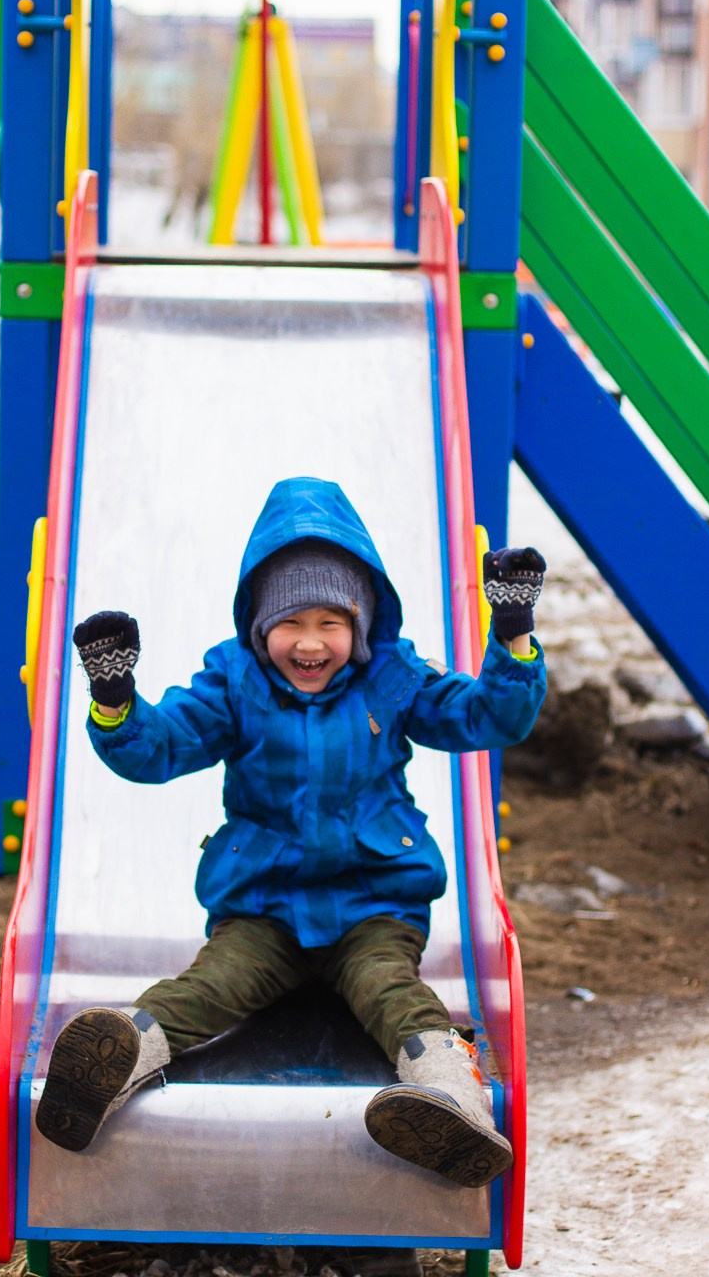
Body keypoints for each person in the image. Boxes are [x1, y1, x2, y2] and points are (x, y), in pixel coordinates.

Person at [36, 476, 547, 1195]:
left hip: (372, 905)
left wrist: (512, 635)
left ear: (362, 625)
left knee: (389, 990)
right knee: (211, 986)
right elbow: (159, 750)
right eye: (289, 623)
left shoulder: (392, 681)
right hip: (263, 907)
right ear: (257, 625)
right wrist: (118, 705)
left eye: (330, 623)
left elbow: (490, 719)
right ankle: (112, 1068)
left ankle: (450, 1105)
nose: (309, 643)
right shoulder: (232, 685)